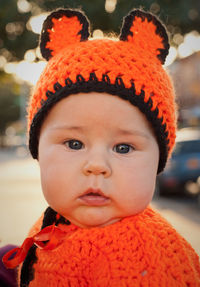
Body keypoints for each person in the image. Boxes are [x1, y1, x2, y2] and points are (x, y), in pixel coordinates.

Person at [3, 8, 200, 286]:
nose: (96, 165)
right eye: (74, 144)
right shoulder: (52, 226)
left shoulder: (147, 261)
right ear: (38, 150)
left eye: (123, 148)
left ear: (159, 160)